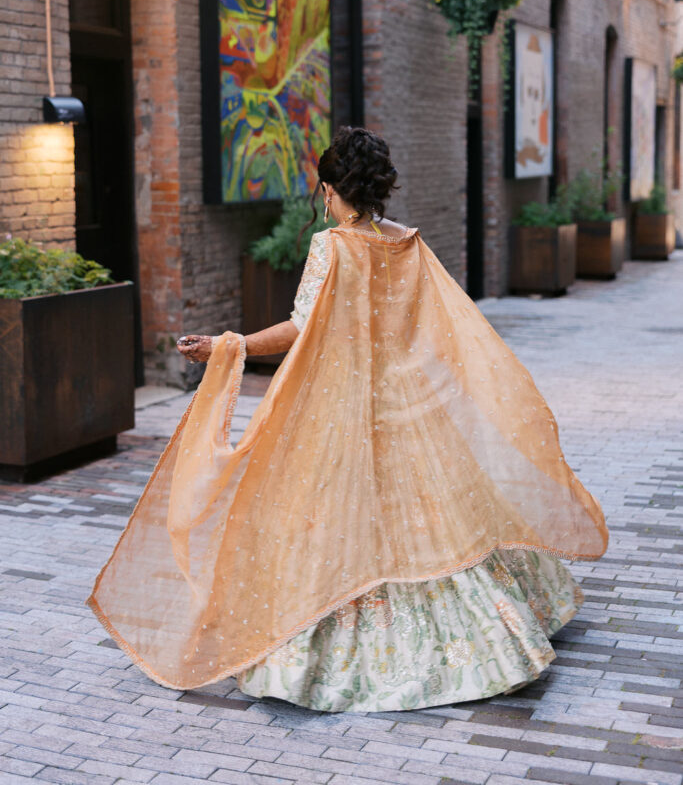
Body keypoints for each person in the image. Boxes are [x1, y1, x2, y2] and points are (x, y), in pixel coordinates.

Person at [88, 126, 607, 713]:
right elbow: (435, 327)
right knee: (432, 520)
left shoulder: (332, 246)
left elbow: (300, 329)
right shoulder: (407, 242)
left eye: (325, 190)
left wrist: (226, 345)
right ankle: (493, 636)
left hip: (345, 409)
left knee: (338, 518)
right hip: (411, 405)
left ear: (330, 189)